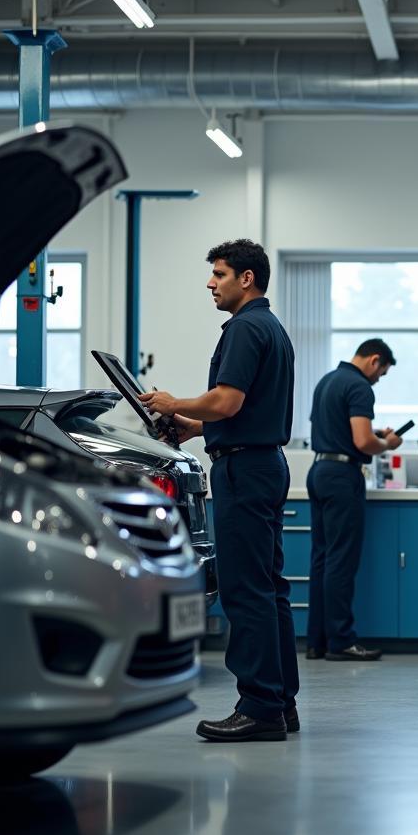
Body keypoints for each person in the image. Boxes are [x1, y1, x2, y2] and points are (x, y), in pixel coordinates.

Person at [140, 239, 298, 742]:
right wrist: (191, 427)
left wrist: (172, 401)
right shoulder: (270, 327)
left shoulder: (246, 329)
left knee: (245, 589)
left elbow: (227, 401)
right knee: (269, 590)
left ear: (246, 278)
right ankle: (279, 701)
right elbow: (244, 411)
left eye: (220, 274)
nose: (211, 283)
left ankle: (258, 707)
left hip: (244, 472)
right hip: (262, 464)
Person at [305, 339, 402, 662]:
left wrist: (375, 437)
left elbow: (342, 431)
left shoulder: (327, 381)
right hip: (342, 477)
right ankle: (342, 641)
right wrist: (385, 443)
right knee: (341, 561)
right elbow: (362, 441)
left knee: (321, 559)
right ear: (374, 360)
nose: (378, 380)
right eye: (382, 373)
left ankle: (317, 641)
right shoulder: (360, 387)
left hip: (319, 470)